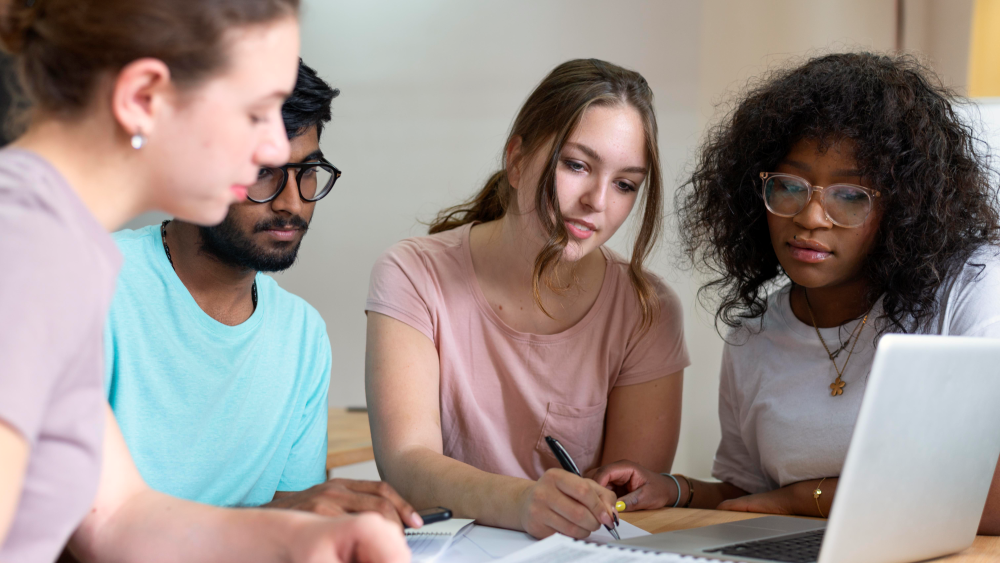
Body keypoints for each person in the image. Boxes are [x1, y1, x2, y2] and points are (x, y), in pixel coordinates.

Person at [0, 1, 408, 562]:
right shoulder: (24, 246)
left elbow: (116, 515)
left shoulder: (66, 246)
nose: (273, 149)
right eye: (256, 111)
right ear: (144, 97)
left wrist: (307, 538)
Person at [591, 52, 1000, 535]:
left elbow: (988, 504)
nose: (809, 217)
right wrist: (675, 488)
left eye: (851, 195)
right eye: (789, 186)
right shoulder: (756, 337)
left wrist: (805, 497)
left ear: (906, 208)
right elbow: (753, 498)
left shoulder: (971, 288)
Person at [365, 58, 689, 540]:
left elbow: (628, 504)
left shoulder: (648, 310)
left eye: (624, 184)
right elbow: (406, 465)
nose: (598, 201)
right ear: (517, 160)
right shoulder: (413, 274)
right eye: (577, 165)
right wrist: (522, 501)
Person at [104, 59, 421, 528]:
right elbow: (49, 530)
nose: (292, 203)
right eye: (262, 171)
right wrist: (274, 517)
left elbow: (292, 527)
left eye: (308, 172)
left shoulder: (302, 335)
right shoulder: (98, 281)